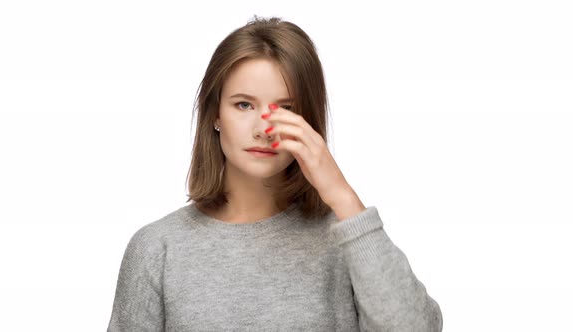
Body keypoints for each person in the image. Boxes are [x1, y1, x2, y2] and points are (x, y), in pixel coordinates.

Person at [107, 16, 443, 331]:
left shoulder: (346, 241)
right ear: (215, 114)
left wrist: (342, 195)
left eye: (285, 109)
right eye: (244, 105)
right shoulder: (158, 248)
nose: (263, 129)